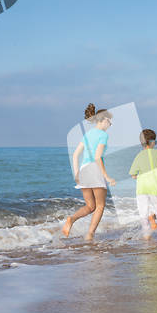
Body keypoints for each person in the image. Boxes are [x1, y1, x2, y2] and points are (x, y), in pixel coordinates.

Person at [62, 103, 116, 241]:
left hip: (84, 169)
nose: (110, 123)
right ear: (104, 120)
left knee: (90, 206)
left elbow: (75, 155)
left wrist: (76, 174)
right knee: (100, 205)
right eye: (110, 120)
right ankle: (89, 236)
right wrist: (107, 177)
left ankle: (72, 219)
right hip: (95, 169)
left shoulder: (87, 134)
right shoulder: (103, 135)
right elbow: (98, 157)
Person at [129, 129, 157, 239]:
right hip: (155, 186)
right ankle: (153, 214)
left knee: (142, 213)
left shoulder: (138, 156)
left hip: (142, 188)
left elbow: (133, 174)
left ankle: (146, 236)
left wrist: (138, 178)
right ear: (153, 142)